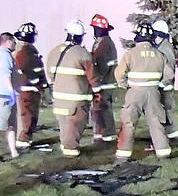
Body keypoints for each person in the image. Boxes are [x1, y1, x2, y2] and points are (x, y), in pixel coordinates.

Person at [114, 21, 173, 164]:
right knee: (156, 121)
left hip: (134, 92)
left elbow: (119, 73)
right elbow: (169, 74)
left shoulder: (130, 54)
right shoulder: (159, 54)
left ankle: (123, 155)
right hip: (153, 93)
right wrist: (159, 84)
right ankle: (163, 153)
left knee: (129, 123)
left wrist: (125, 84)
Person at [48, 20, 101, 157]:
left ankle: (65, 146)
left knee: (64, 125)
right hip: (76, 100)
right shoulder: (82, 54)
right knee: (74, 126)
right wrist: (96, 90)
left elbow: (50, 74)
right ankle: (70, 153)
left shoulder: (54, 51)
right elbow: (92, 76)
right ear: (80, 36)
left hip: (59, 98)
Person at [12, 22, 47, 149]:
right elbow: (31, 71)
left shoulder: (21, 50)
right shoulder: (25, 51)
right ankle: (23, 140)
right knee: (27, 116)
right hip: (28, 90)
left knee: (26, 115)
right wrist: (39, 85)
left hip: (26, 89)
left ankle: (23, 138)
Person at [89, 14, 119, 143]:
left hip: (104, 85)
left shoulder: (104, 44)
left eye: (96, 28)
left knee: (102, 110)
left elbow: (100, 64)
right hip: (106, 84)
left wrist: (94, 81)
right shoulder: (104, 43)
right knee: (100, 110)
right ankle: (102, 134)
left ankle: (106, 135)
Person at [153, 19, 178, 141]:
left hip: (165, 87)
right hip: (163, 85)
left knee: (166, 112)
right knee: (165, 112)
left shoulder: (165, 48)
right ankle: (172, 136)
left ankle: (172, 137)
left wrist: (161, 83)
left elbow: (169, 71)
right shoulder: (162, 46)